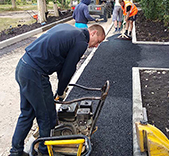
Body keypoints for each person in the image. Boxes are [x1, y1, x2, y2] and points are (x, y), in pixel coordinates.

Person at [9, 23, 105, 156]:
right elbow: (68, 70)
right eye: (98, 41)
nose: (96, 46)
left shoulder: (72, 32)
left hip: (23, 67)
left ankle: (16, 151)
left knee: (27, 113)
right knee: (47, 115)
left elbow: (62, 66)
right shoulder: (81, 42)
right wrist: (60, 92)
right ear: (93, 33)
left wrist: (61, 88)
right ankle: (44, 150)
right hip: (35, 74)